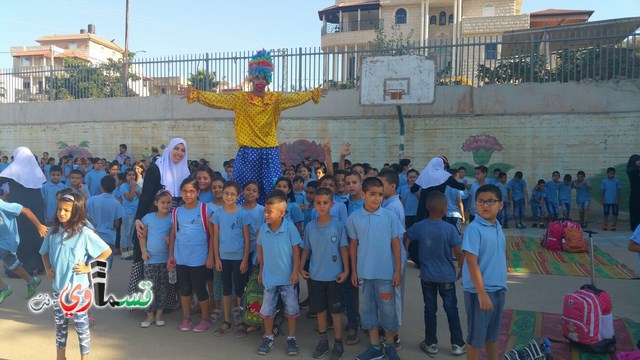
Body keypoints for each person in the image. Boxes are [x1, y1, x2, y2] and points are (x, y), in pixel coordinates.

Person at [179, 49, 326, 204]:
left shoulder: (275, 99)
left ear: (268, 79)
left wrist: (312, 93)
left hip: (270, 151)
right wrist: (196, 94)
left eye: (263, 78)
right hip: (248, 151)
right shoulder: (240, 99)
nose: (260, 81)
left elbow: (295, 98)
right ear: (251, 77)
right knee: (243, 190)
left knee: (272, 188)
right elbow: (218, 100)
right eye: (257, 77)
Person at [39, 190, 112, 360]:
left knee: (81, 327)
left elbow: (106, 251)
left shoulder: (84, 233)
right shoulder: (51, 233)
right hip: (58, 290)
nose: (62, 213)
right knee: (60, 326)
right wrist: (48, 267)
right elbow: (43, 253)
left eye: (67, 210)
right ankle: (60, 357)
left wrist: (89, 267)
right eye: (59, 209)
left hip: (79, 292)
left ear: (76, 212)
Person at [347, 177, 404, 360]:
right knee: (367, 312)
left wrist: (397, 270)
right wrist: (354, 271)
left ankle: (390, 346)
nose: (377, 198)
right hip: (364, 275)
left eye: (380, 194)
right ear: (363, 195)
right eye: (372, 194)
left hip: (386, 275)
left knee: (388, 312)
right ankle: (374, 347)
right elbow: (353, 247)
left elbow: (396, 245)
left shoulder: (389, 217)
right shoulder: (354, 218)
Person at [128, 138, 189, 308]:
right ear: (169, 149)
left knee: (171, 258)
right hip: (155, 219)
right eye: (175, 148)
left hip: (176, 220)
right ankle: (146, 302)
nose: (179, 152)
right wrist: (138, 219)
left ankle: (170, 300)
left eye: (182, 150)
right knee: (150, 259)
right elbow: (147, 196)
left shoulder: (186, 171)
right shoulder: (157, 169)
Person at [406, 191, 466, 356]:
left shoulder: (420, 226)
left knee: (430, 309)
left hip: (427, 276)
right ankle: (458, 344)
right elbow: (459, 252)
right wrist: (461, 267)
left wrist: (405, 254)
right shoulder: (450, 229)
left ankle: (431, 343)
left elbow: (407, 236)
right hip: (447, 276)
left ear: (427, 207)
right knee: (451, 309)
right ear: (445, 209)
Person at [299, 187, 349, 360]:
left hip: (334, 276)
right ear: (313, 205)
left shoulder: (338, 225)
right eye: (318, 203)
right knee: (320, 310)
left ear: (331, 204)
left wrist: (346, 270)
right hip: (316, 276)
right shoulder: (310, 227)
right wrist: (300, 266)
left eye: (325, 203)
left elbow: (344, 249)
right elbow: (306, 248)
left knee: (335, 312)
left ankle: (338, 343)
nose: (321, 206)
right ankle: (323, 341)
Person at [461, 184, 507, 360]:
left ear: (500, 205)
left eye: (490, 201)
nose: (485, 205)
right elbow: (471, 262)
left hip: (498, 290)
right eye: (481, 201)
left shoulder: (497, 227)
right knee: (476, 338)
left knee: (492, 335)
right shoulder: (474, 229)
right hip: (479, 292)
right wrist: (481, 293)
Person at [256, 190, 302, 356]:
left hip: (288, 278)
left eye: (270, 211)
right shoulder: (263, 229)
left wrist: (295, 271)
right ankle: (268, 337)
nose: (266, 214)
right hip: (269, 277)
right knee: (267, 309)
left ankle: (291, 338)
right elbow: (260, 250)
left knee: (291, 309)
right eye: (265, 211)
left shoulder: (289, 228)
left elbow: (296, 250)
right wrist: (261, 271)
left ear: (282, 213)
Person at [170, 177, 214, 333]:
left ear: (198, 192)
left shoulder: (205, 209)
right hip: (181, 256)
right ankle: (186, 317)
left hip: (199, 256)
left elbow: (213, 235)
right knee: (185, 288)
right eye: (184, 191)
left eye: (191, 191)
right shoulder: (176, 211)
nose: (187, 195)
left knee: (200, 288)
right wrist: (171, 256)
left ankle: (205, 318)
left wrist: (210, 256)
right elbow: (174, 234)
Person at [208, 180, 251, 337]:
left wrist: (245, 259)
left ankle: (241, 321)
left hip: (239, 258)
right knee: (226, 289)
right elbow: (215, 238)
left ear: (238, 196)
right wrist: (216, 258)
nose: (229, 196)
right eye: (226, 193)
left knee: (239, 291)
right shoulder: (217, 214)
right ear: (222, 194)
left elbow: (247, 239)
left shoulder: (243, 214)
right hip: (223, 258)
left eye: (233, 194)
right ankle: (226, 321)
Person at [0, 146, 47, 276]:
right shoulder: (36, 170)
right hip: (36, 206)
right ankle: (38, 266)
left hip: (19, 208)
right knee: (35, 234)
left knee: (20, 235)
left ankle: (19, 269)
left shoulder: (13, 169)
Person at [0, 199, 48, 304]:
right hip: (2, 242)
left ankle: (3, 288)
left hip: (8, 241)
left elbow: (26, 210)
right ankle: (32, 281)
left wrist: (39, 226)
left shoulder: (3, 205)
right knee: (13, 265)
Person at [137, 189, 173, 328]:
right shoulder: (148, 218)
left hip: (165, 260)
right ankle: (149, 315)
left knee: (163, 287)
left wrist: (170, 240)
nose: (165, 205)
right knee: (149, 287)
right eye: (162, 202)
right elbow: (142, 236)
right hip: (150, 259)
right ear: (156, 203)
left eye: (168, 202)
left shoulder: (172, 218)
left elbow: (175, 236)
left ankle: (159, 314)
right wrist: (143, 251)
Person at [86, 176, 123, 271]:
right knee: (105, 267)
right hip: (109, 238)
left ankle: (90, 284)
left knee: (91, 264)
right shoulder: (116, 203)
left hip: (93, 236)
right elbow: (117, 223)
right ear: (114, 187)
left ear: (101, 187)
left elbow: (84, 215)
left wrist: (92, 224)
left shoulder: (92, 200)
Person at [412, 156, 465, 221]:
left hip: (424, 207)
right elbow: (460, 186)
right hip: (439, 205)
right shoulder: (445, 175)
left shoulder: (424, 174)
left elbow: (413, 189)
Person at [119, 168, 141, 259]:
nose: (132, 177)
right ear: (126, 177)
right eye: (129, 175)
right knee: (126, 231)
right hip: (127, 211)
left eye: (133, 175)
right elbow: (130, 198)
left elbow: (140, 196)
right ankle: (124, 250)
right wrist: (132, 188)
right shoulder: (124, 186)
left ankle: (131, 248)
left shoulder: (137, 185)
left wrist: (137, 190)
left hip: (136, 210)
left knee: (132, 231)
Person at [600, 167, 622, 231]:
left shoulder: (617, 181)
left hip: (614, 201)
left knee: (615, 213)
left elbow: (619, 190)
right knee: (605, 213)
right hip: (606, 200)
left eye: (613, 173)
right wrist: (602, 199)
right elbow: (602, 191)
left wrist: (617, 199)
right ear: (607, 173)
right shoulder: (604, 181)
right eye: (610, 173)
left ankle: (614, 225)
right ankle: (605, 225)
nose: (612, 175)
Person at [626, 155, 640, 231]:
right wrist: (636, 165)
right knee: (635, 210)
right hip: (635, 192)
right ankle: (635, 228)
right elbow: (631, 172)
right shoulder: (631, 169)